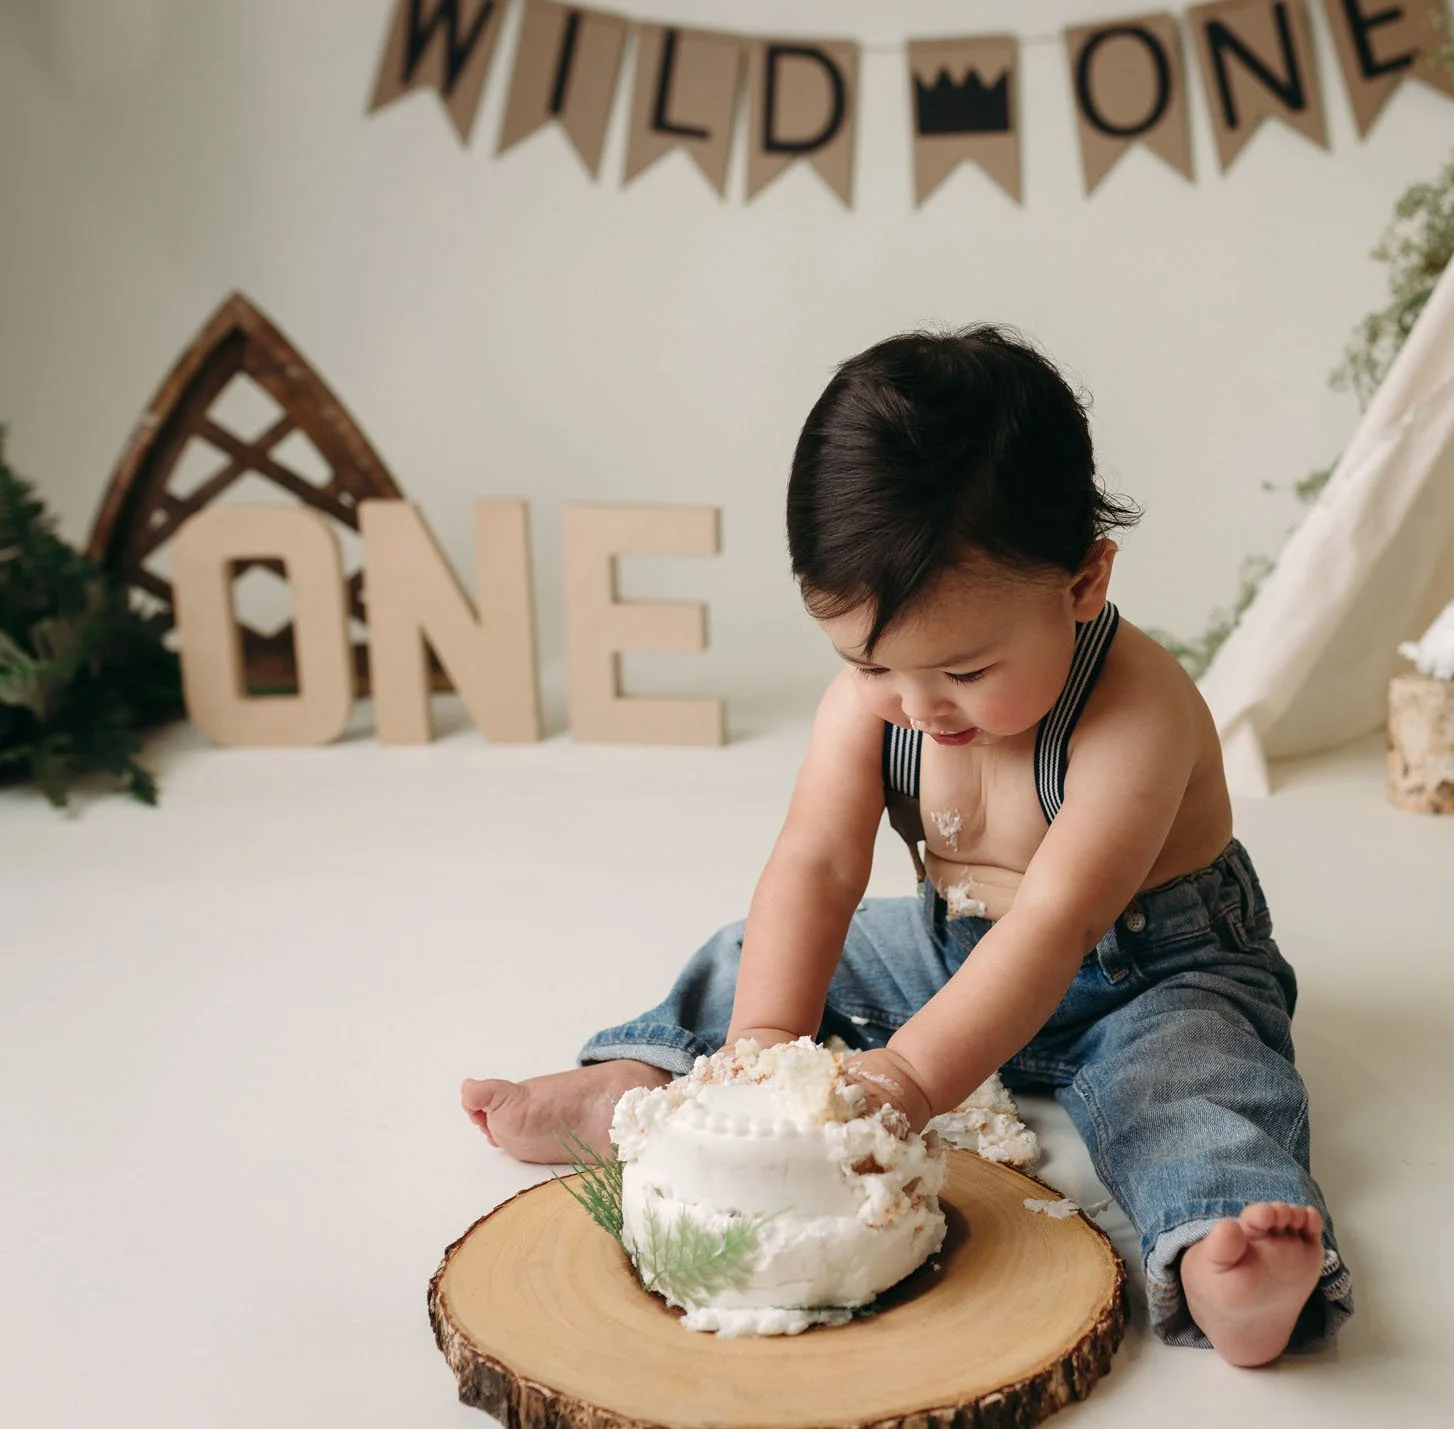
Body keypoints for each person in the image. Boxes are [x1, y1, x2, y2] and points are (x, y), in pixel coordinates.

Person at [461, 326, 1351, 1365]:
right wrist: (765, 1046)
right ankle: (641, 1079)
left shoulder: (1136, 712)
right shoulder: (877, 702)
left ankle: (1225, 1254)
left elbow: (1061, 916)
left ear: (1081, 585)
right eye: (870, 664)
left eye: (964, 672)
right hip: (956, 950)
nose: (918, 705)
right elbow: (819, 865)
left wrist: (907, 1078)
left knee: (1194, 1092)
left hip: (1150, 973)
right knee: (754, 951)